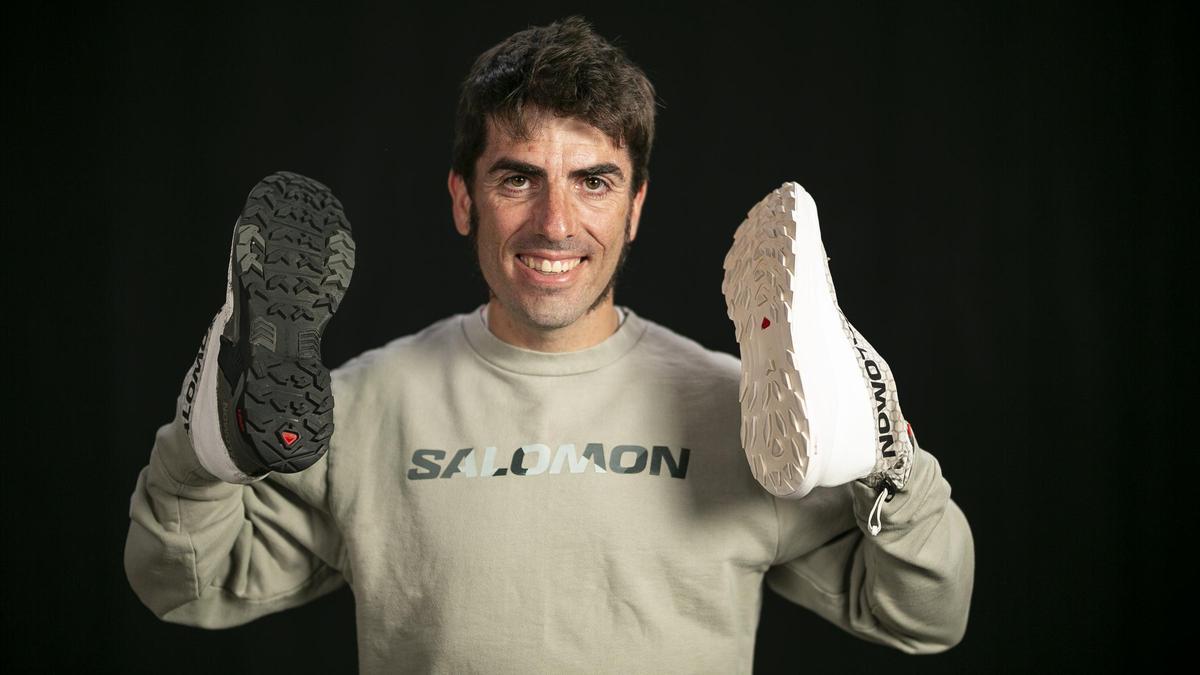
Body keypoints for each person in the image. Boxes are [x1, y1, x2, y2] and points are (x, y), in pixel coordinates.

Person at [124, 16, 975, 673]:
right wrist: (195, 464)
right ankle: (215, 411)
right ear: (465, 200)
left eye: (593, 181)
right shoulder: (366, 403)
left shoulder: (741, 411)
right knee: (218, 449)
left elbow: (922, 613)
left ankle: (874, 426)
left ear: (636, 206)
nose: (555, 223)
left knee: (865, 450)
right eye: (518, 177)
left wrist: (891, 462)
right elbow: (182, 582)